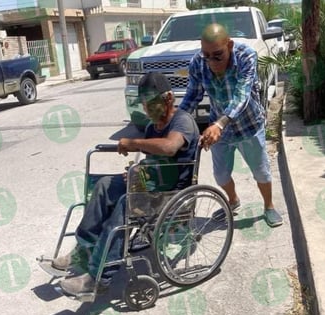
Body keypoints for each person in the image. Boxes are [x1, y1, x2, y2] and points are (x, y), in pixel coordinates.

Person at [54, 72, 200, 296]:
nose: (148, 109)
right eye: (144, 104)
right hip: (152, 187)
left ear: (169, 98)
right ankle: (83, 253)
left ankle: (98, 277)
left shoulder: (183, 121)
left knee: (126, 203)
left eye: (152, 103)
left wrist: (133, 143)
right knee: (103, 185)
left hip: (173, 194)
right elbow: (152, 163)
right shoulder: (153, 127)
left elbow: (170, 147)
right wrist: (138, 174)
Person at [179, 23, 283, 227]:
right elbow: (192, 96)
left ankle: (269, 206)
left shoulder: (246, 56)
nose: (211, 61)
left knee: (261, 171)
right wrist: (176, 121)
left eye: (217, 55)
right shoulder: (198, 63)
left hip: (249, 125)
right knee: (220, 175)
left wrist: (219, 124)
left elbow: (242, 95)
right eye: (206, 55)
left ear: (230, 45)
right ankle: (233, 200)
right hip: (220, 131)